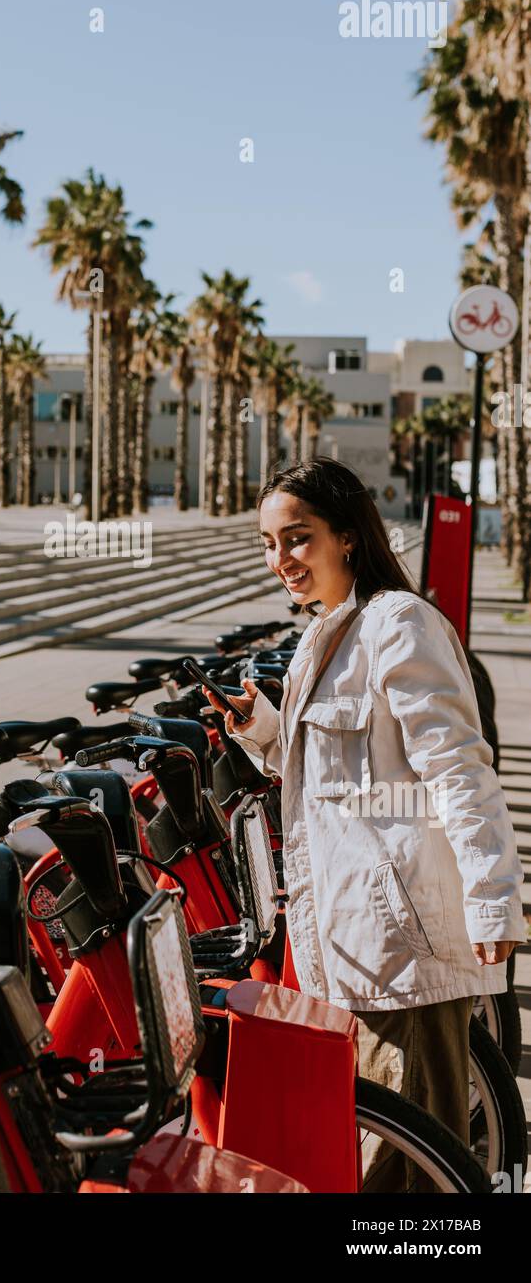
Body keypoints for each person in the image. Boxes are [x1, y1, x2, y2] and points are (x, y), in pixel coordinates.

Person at [206, 457, 524, 1192]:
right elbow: (334, 784)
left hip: (399, 945)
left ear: (347, 536)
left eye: (297, 538)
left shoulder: (399, 624)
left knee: (403, 1171)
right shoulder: (325, 635)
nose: (280, 559)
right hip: (350, 940)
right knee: (386, 1159)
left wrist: (491, 896)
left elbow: (459, 768)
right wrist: (263, 729)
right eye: (268, 542)